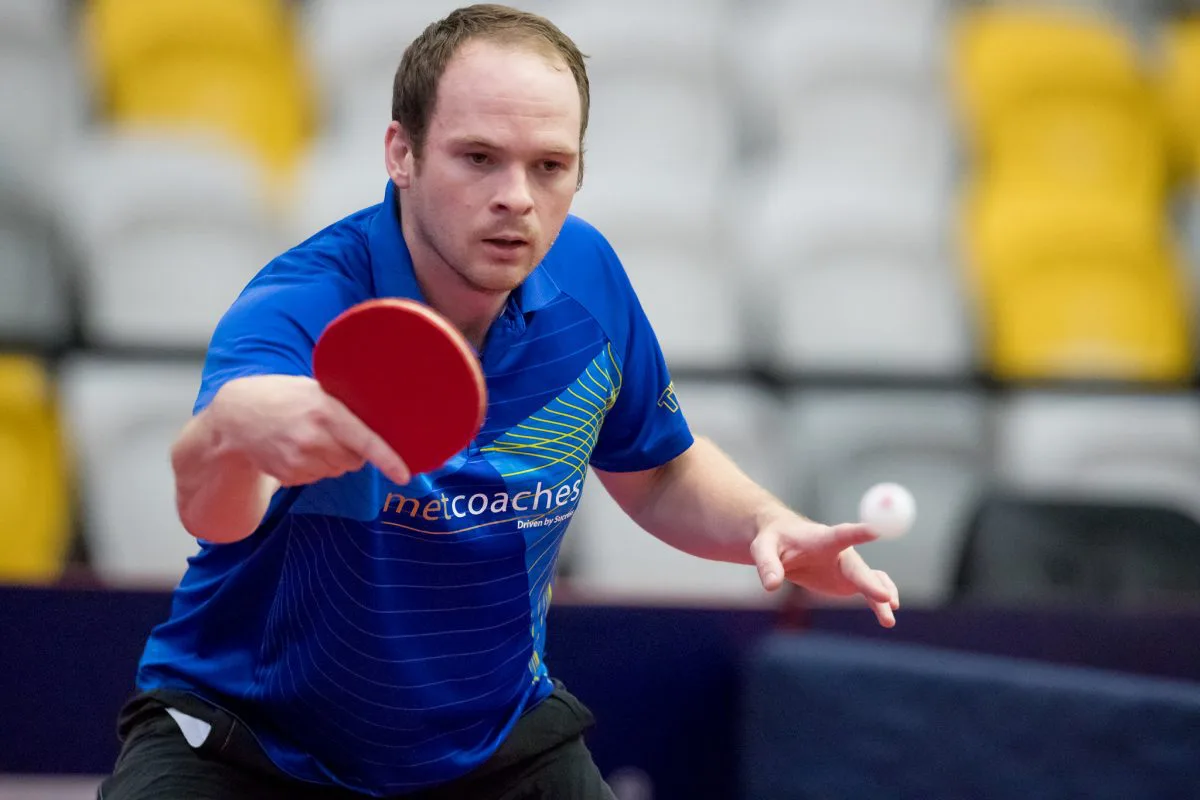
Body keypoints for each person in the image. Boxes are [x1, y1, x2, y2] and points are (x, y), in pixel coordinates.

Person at [98, 4, 900, 799]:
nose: (516, 197)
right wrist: (227, 435)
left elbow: (657, 474)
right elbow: (217, 516)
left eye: (549, 166)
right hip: (246, 744)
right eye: (478, 158)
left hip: (488, 748)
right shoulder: (304, 303)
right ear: (401, 153)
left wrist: (764, 522)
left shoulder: (587, 280)